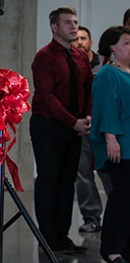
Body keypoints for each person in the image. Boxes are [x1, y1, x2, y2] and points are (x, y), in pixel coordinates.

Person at [30, 6, 93, 253]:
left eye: (75, 22)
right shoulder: (44, 56)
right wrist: (73, 121)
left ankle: (62, 237)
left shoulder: (79, 56)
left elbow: (88, 89)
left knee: (67, 183)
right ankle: (48, 238)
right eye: (68, 23)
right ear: (54, 27)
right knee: (49, 182)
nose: (74, 27)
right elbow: (47, 96)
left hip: (73, 127)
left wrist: (86, 117)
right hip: (49, 126)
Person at [91, 26, 130, 263]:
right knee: (122, 197)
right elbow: (106, 109)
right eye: (126, 43)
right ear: (112, 48)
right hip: (121, 145)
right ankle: (112, 249)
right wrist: (111, 139)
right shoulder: (108, 73)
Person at [72, 26, 111, 234]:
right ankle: (91, 218)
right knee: (84, 174)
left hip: (105, 128)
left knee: (110, 175)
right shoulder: (71, 63)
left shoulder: (106, 63)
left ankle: (117, 216)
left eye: (83, 38)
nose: (79, 41)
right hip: (82, 127)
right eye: (76, 38)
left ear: (91, 42)